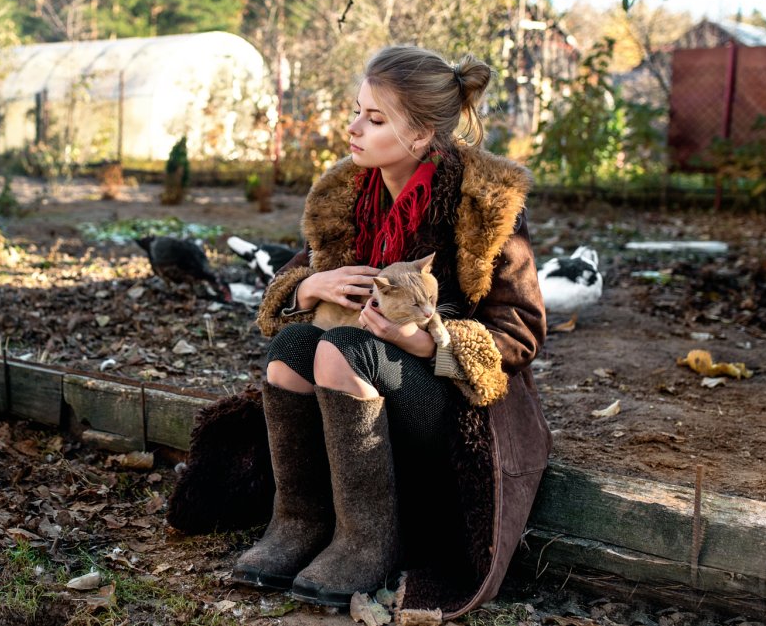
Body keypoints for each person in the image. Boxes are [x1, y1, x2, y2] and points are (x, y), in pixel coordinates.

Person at [231, 45, 550, 621]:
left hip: (450, 402)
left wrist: (434, 343)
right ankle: (301, 523)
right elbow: (289, 286)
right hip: (359, 381)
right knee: (288, 351)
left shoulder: (484, 202)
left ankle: (369, 542)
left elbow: (522, 331)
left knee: (343, 351)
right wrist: (311, 287)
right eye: (356, 111)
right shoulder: (348, 193)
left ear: (423, 135)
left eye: (375, 120)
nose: (354, 128)